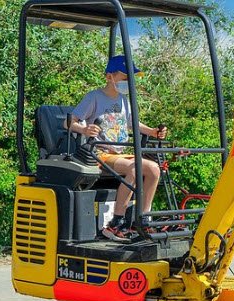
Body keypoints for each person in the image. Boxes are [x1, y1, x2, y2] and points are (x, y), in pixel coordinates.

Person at [69, 55, 168, 241]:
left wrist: (153, 132)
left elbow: (133, 124)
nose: (128, 83)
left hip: (120, 154)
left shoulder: (124, 100)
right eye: (124, 78)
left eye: (130, 79)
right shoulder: (94, 97)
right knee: (135, 169)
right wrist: (84, 129)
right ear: (109, 77)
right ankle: (116, 223)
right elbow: (70, 122)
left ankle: (143, 219)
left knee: (154, 169)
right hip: (99, 154)